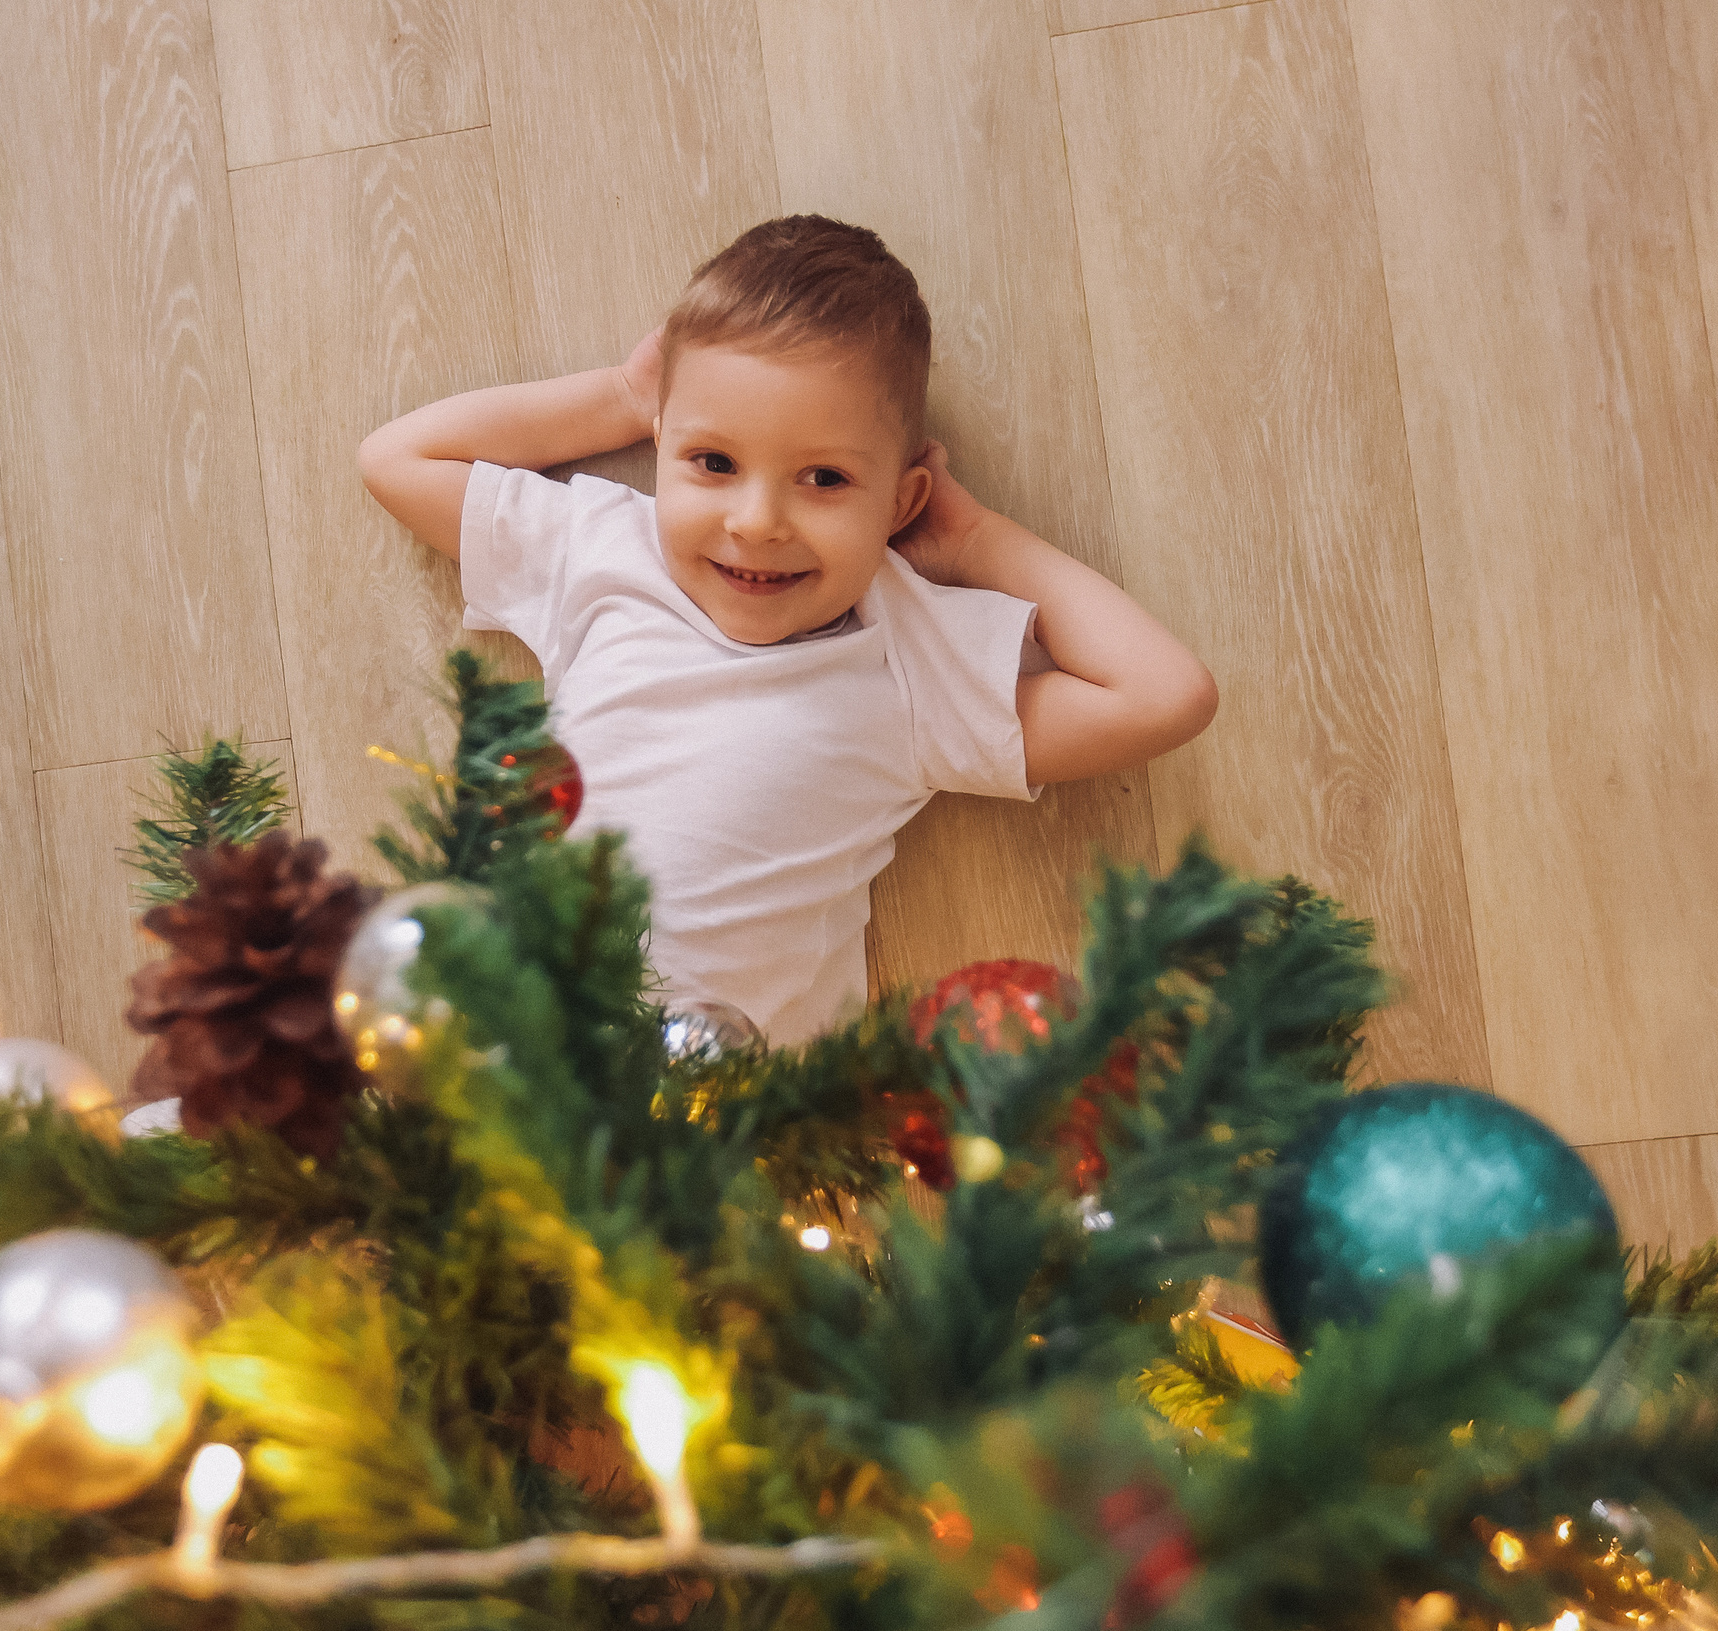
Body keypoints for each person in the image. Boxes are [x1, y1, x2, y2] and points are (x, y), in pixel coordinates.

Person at [355, 215, 1215, 1043]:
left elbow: (1163, 696)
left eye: (825, 479)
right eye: (714, 463)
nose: (758, 520)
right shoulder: (605, 554)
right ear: (661, 445)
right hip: (516, 1040)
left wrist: (977, 541)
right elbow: (397, 461)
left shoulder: (907, 656)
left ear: (901, 500)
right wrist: (619, 396)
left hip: (734, 1121)